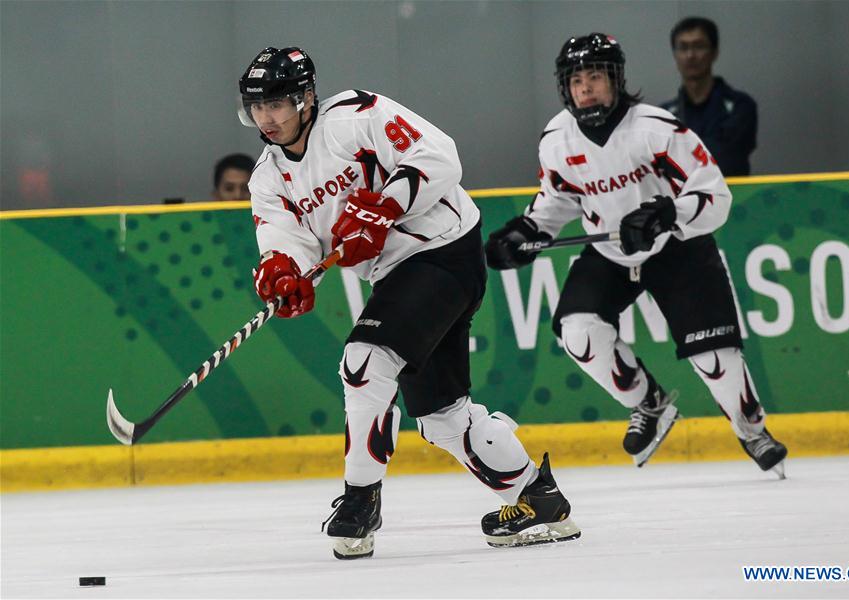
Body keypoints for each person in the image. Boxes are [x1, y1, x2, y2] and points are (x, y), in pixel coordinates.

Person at [238, 47, 580, 559]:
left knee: (365, 361)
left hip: (444, 247)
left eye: (277, 104)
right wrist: (283, 269)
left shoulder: (356, 115)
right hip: (398, 275)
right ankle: (538, 500)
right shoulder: (267, 178)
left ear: (307, 98)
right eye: (256, 107)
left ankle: (360, 502)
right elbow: (288, 240)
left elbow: (439, 155)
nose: (266, 117)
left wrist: (385, 208)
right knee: (443, 416)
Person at [485, 33, 787, 477]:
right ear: (564, 87)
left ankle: (752, 431)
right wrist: (527, 230)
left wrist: (669, 213)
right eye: (576, 80)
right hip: (609, 251)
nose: (585, 87)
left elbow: (714, 194)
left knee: (715, 358)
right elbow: (559, 198)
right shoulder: (556, 138)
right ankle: (649, 404)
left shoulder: (657, 128)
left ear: (616, 78)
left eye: (595, 76)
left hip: (678, 247)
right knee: (578, 333)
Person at [660, 17, 757, 177]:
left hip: (733, 197)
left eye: (699, 46)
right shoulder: (665, 115)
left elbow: (727, 160)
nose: (690, 55)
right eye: (683, 48)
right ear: (675, 55)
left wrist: (680, 151)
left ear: (714, 52)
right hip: (683, 200)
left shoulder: (741, 106)